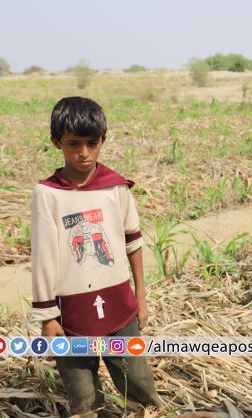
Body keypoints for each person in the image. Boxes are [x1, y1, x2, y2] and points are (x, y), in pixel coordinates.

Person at [31, 96, 162, 416]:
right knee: (83, 394)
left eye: (92, 143)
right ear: (56, 142)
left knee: (137, 378)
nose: (84, 153)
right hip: (70, 310)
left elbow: (133, 241)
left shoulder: (115, 188)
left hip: (118, 301)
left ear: (104, 140)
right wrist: (47, 316)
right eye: (73, 143)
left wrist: (140, 298)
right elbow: (43, 256)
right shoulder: (48, 194)